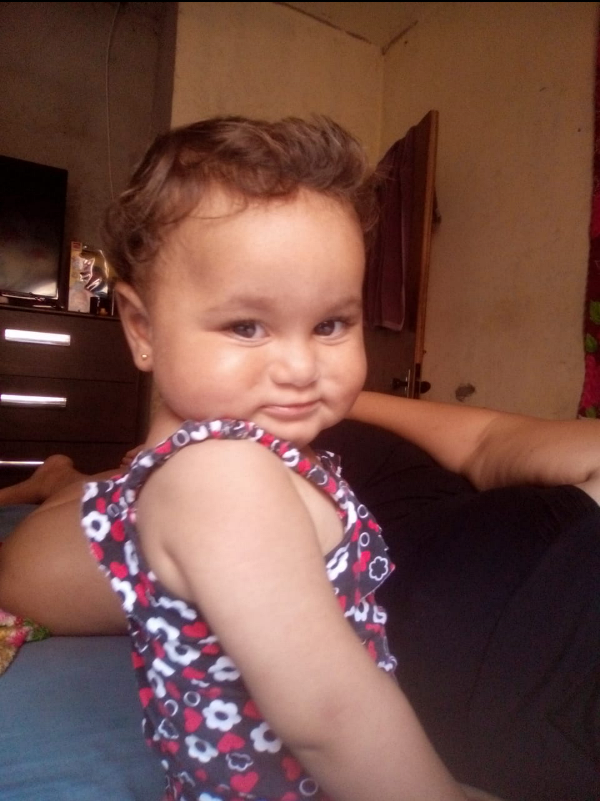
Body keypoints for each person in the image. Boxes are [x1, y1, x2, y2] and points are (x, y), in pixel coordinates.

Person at [0, 114, 599, 800]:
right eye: (246, 326)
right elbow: (328, 714)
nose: (300, 365)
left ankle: (59, 478)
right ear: (142, 329)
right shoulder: (222, 476)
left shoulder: (256, 458)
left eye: (330, 324)